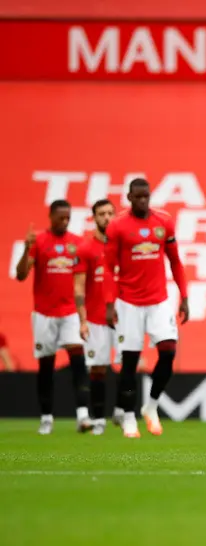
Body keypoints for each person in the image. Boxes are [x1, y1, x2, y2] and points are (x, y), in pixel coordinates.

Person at [104, 178, 189, 438]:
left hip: (159, 301)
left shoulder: (163, 222)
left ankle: (150, 407)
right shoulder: (117, 226)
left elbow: (175, 261)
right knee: (129, 362)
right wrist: (109, 304)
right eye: (137, 197)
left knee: (168, 352)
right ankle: (128, 416)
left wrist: (184, 295)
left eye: (146, 196)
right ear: (129, 197)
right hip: (128, 302)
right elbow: (107, 267)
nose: (142, 201)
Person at [15, 200, 90, 434]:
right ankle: (46, 417)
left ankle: (83, 416)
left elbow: (83, 279)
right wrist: (27, 249)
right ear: (51, 216)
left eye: (68, 217)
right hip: (44, 314)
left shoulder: (77, 243)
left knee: (78, 362)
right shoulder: (38, 241)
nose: (65, 221)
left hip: (69, 313)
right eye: (61, 217)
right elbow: (21, 275)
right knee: (46, 366)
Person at [74, 199, 117, 435]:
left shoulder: (123, 245)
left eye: (111, 213)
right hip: (96, 319)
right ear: (94, 217)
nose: (107, 218)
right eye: (102, 214)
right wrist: (82, 320)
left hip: (123, 317)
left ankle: (123, 411)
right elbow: (79, 288)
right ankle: (99, 419)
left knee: (128, 365)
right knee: (98, 369)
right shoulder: (85, 248)